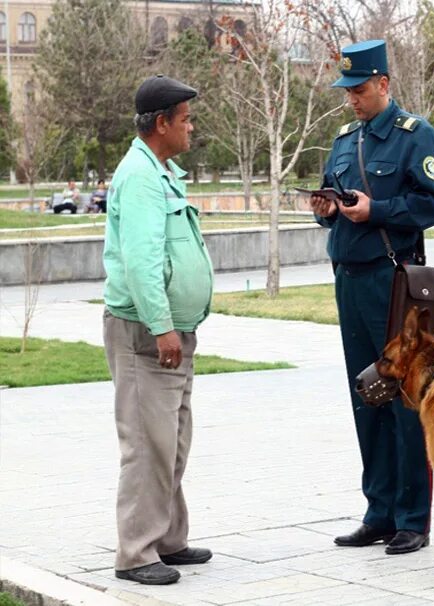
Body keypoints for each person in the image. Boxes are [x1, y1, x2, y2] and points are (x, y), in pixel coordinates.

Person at [310, 40, 434, 556]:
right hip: (349, 279)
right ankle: (379, 511)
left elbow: (433, 205)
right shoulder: (345, 140)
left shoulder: (416, 136)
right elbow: (330, 194)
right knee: (366, 396)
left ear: (384, 85)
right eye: (347, 91)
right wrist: (326, 209)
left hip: (393, 284)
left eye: (361, 90)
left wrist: (379, 210)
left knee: (405, 400)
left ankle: (413, 517)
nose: (353, 100)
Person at [102, 75, 214, 586]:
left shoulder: (162, 171)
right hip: (147, 334)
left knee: (172, 439)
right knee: (147, 443)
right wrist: (163, 325)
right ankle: (136, 552)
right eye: (186, 119)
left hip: (172, 332)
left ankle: (167, 538)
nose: (192, 126)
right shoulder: (141, 177)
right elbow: (142, 261)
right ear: (162, 123)